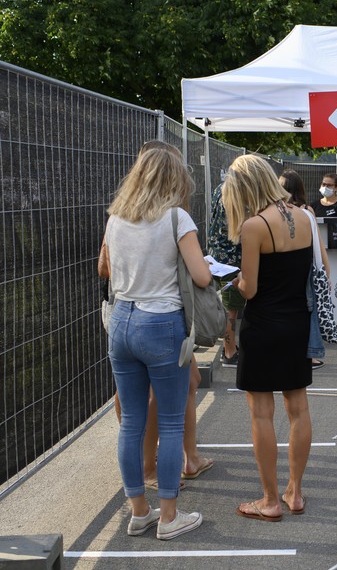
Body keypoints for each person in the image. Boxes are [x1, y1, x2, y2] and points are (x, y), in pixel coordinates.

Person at [102, 146, 209, 539]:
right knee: (168, 422)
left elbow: (111, 270)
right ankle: (168, 517)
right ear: (174, 179)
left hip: (122, 322)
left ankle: (139, 511)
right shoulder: (177, 218)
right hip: (161, 323)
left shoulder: (116, 218)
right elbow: (200, 277)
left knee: (131, 422)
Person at [223, 154, 313, 522]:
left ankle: (270, 499)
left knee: (262, 413)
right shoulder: (305, 216)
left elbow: (250, 288)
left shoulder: (254, 225)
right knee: (299, 408)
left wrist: (232, 282)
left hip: (262, 327)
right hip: (296, 322)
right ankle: (296, 491)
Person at [280, 168, 329, 370]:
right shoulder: (307, 211)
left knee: (303, 308)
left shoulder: (288, 212)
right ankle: (310, 353)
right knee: (308, 309)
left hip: (295, 267)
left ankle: (308, 353)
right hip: (306, 266)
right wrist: (326, 273)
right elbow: (319, 244)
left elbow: (316, 243)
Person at [208, 178, 244, 368]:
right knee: (231, 308)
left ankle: (230, 347)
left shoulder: (220, 188)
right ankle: (229, 352)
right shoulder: (240, 194)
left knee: (226, 304)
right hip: (233, 260)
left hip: (216, 255)